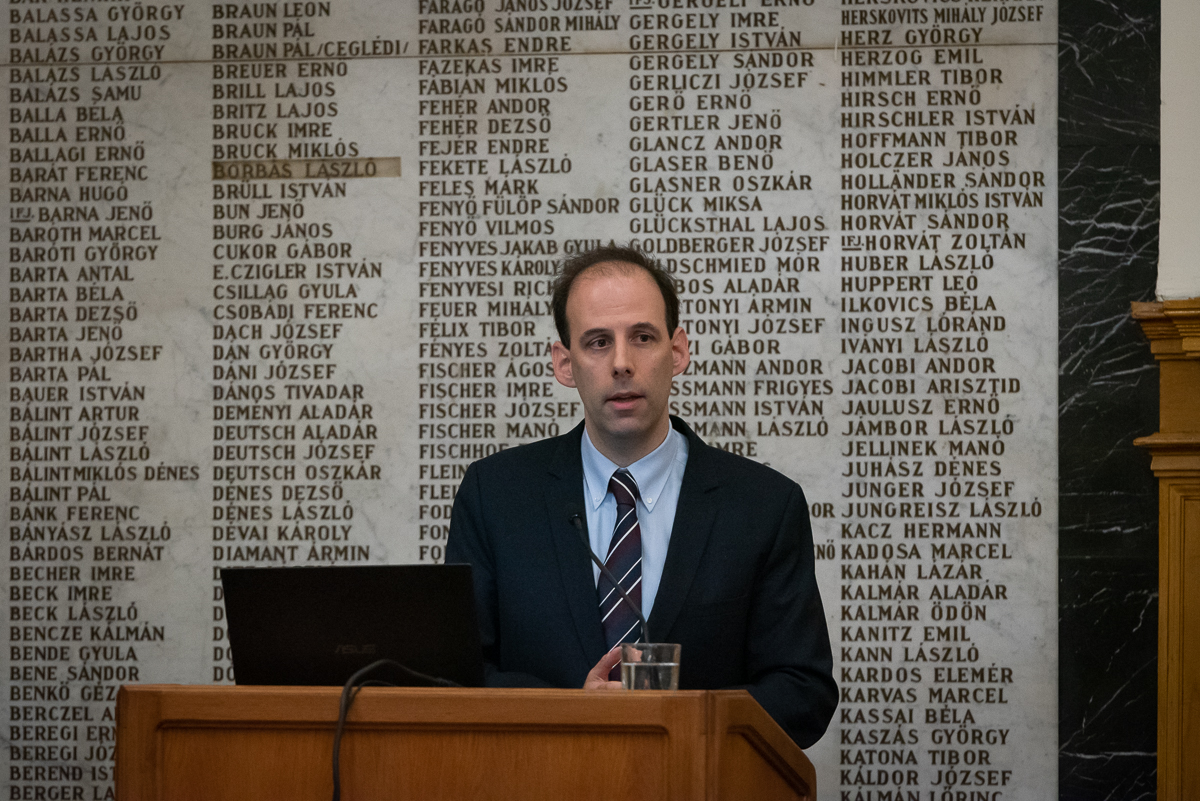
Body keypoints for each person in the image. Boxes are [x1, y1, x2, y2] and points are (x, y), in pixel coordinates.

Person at [445, 245, 837, 748]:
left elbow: (803, 692)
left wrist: (676, 718)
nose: (622, 363)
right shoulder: (496, 496)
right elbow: (457, 676)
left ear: (678, 352)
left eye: (643, 337)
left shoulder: (763, 506)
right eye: (598, 342)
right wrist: (570, 711)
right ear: (564, 364)